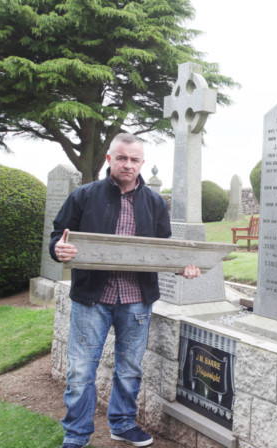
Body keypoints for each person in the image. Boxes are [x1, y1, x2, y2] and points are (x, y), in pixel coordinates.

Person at [50, 133, 200, 448]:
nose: (128, 164)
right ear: (110, 159)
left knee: (129, 369)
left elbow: (163, 250)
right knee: (80, 372)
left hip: (136, 300)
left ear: (141, 163)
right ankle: (76, 437)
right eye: (122, 158)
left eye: (134, 159)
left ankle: (122, 424)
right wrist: (58, 250)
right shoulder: (84, 195)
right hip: (92, 298)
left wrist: (182, 267)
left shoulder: (156, 202)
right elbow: (57, 237)